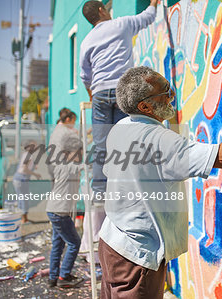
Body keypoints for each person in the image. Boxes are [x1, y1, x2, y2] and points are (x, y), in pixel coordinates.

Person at [98, 66, 222, 298]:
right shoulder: (158, 141)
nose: (172, 95)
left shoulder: (121, 128)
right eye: (165, 92)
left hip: (112, 242)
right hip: (137, 257)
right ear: (144, 106)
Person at [80, 0, 158, 199]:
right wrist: (153, 3)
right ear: (101, 10)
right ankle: (127, 186)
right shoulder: (121, 24)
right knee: (124, 140)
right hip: (122, 90)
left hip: (99, 94)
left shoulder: (86, 41)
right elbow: (147, 18)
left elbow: (85, 76)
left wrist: (93, 94)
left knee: (101, 144)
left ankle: (100, 191)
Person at [45, 136, 84, 288]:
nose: (80, 156)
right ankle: (64, 275)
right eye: (78, 153)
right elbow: (85, 166)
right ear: (69, 153)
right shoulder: (68, 165)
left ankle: (53, 277)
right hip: (60, 212)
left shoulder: (62, 164)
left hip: (54, 210)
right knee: (75, 243)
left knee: (58, 245)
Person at [12, 140, 42, 223]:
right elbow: (24, 169)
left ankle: (21, 218)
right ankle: (24, 219)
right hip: (21, 179)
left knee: (21, 198)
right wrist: (35, 174)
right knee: (24, 199)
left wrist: (33, 167)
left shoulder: (26, 155)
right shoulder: (28, 155)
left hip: (19, 179)